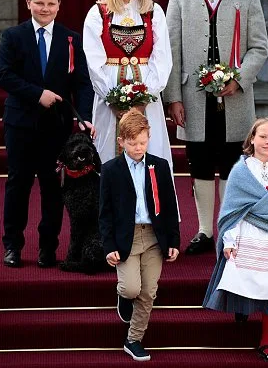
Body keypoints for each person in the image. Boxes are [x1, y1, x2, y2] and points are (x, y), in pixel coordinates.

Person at [164, 0, 268, 255]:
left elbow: (259, 47)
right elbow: (170, 51)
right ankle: (205, 231)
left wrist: (239, 79)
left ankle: (229, 228)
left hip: (234, 98)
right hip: (193, 99)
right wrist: (173, 98)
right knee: (200, 164)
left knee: (232, 163)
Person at [0, 0, 95, 268]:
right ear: (28, 2)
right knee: (19, 185)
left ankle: (47, 248)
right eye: (39, 3)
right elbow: (4, 75)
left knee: (53, 189)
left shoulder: (71, 39)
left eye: (51, 4)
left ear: (59, 6)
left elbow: (83, 83)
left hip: (57, 127)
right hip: (21, 125)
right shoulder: (13, 36)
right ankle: (12, 246)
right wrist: (37, 94)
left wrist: (85, 117)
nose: (45, 8)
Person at [203, 117, 268, 363]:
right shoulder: (240, 170)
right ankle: (241, 309)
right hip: (247, 233)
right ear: (252, 139)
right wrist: (229, 241)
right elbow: (232, 209)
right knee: (243, 278)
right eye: (263, 136)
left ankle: (266, 343)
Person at [99, 109, 180, 362]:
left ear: (149, 138)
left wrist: (174, 241)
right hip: (127, 238)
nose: (138, 148)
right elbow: (105, 213)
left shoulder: (160, 166)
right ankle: (124, 296)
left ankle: (134, 339)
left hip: (154, 238)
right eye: (132, 143)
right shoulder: (111, 170)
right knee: (132, 288)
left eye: (143, 142)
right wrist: (108, 245)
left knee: (148, 292)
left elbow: (169, 205)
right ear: (121, 141)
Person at [83, 0, 173, 166]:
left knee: (150, 152)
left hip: (147, 95)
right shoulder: (98, 13)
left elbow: (162, 59)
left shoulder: (153, 11)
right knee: (108, 152)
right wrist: (113, 100)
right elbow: (94, 62)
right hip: (109, 96)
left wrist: (144, 99)